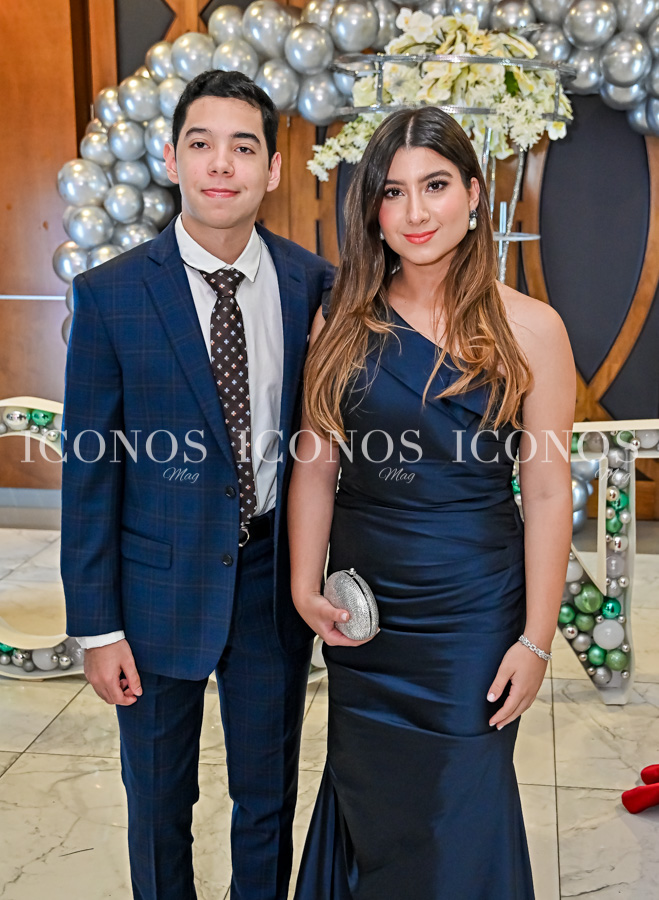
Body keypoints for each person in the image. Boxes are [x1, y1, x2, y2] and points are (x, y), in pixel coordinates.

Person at [288, 107, 575, 899]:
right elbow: (315, 461)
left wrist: (535, 642)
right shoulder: (341, 318)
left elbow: (546, 490)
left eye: (435, 185)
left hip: (470, 616)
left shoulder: (532, 330)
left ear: (474, 194)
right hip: (367, 612)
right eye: (392, 191)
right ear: (371, 210)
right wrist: (303, 585)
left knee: (458, 809)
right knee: (370, 801)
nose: (414, 212)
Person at [60, 70, 333, 900]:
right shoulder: (110, 295)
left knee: (266, 800)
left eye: (243, 147)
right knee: (157, 803)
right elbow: (88, 473)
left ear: (272, 169)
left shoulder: (312, 285)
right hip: (153, 592)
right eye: (201, 143)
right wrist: (97, 626)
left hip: (268, 582)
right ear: (172, 158)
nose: (221, 164)